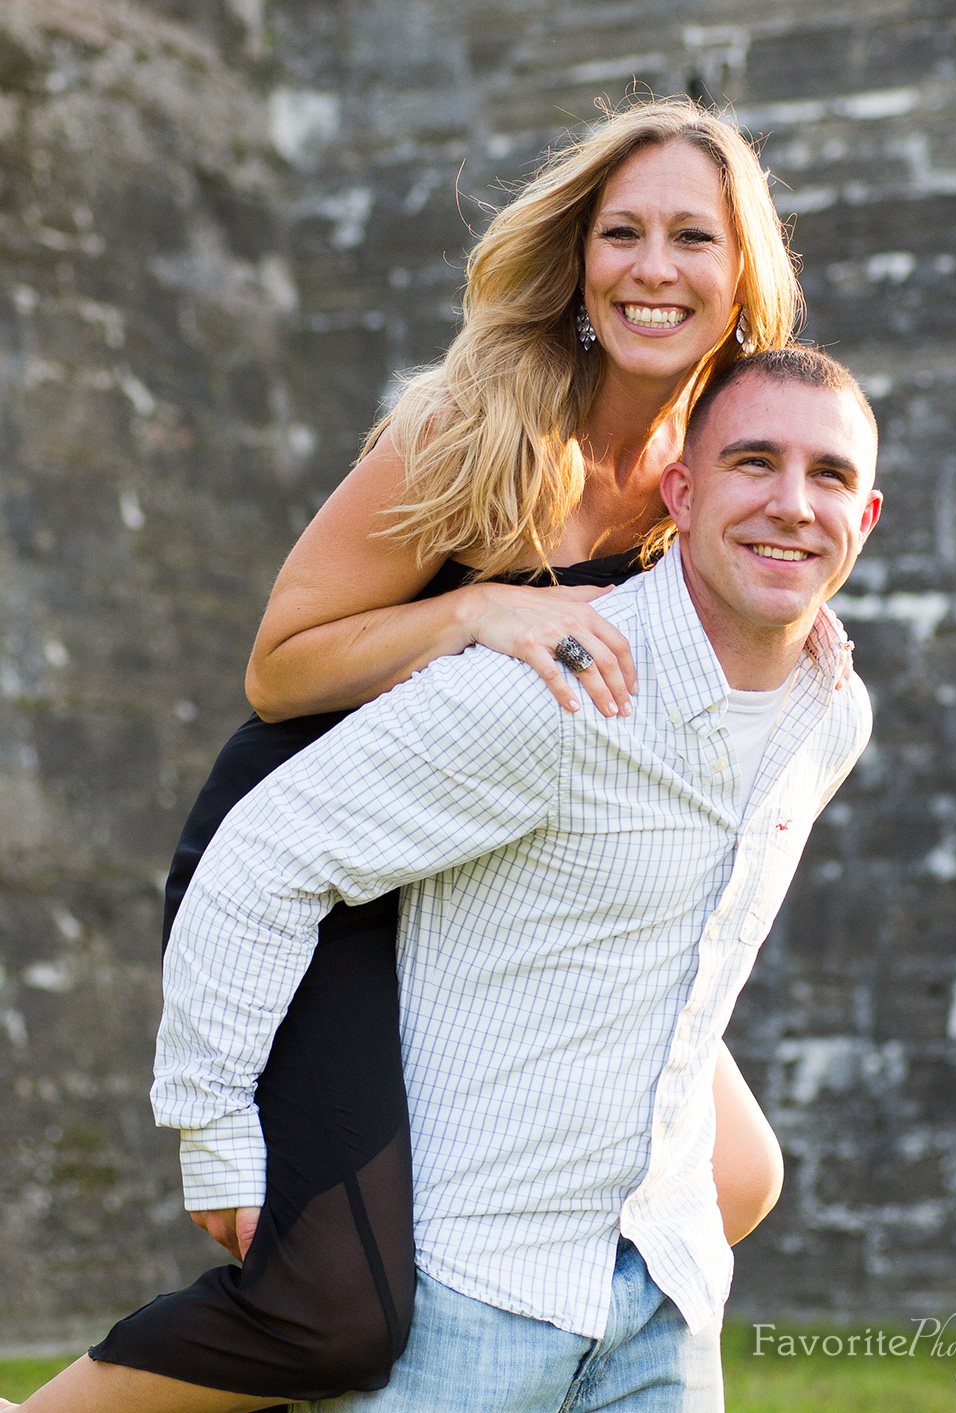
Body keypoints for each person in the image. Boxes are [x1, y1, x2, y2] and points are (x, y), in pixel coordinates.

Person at [6, 101, 806, 1412]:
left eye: (689, 237)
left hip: (496, 874)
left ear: (739, 275)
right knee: (327, 1311)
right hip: (315, 858)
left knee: (726, 1176)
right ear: (578, 260)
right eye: (620, 233)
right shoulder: (477, 425)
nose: (651, 266)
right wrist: (475, 610)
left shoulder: (719, 471)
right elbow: (279, 665)